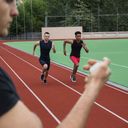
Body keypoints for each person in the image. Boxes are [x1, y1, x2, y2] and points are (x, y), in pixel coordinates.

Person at [0, 0, 111, 128]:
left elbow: (77, 48)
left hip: (52, 58)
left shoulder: (59, 42)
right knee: (50, 67)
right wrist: (93, 87)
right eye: (8, 1)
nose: (15, 11)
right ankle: (61, 74)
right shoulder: (42, 42)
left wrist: (57, 48)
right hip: (48, 58)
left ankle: (45, 75)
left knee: (47, 70)